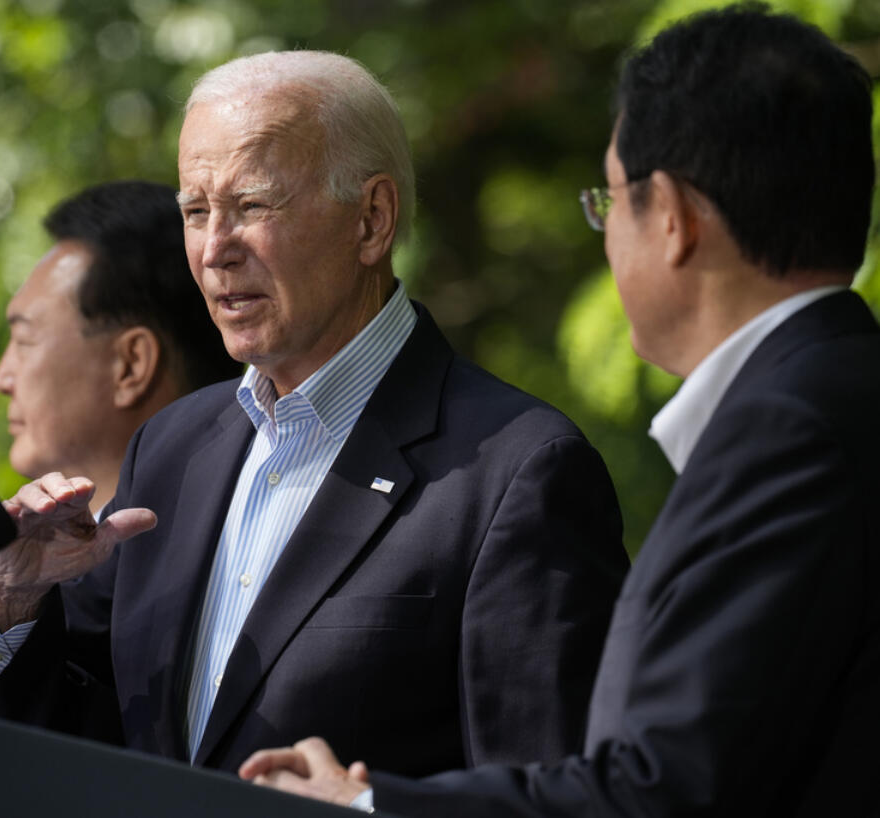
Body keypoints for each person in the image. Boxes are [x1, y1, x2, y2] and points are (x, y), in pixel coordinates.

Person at [239, 5, 880, 815]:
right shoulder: (835, 397)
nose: (606, 237)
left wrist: (369, 807)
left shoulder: (789, 434)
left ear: (675, 220)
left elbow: (667, 786)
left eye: (606, 205)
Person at [0, 51, 629, 779]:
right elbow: (62, 755)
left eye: (252, 207)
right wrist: (12, 604)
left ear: (371, 220)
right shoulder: (171, 450)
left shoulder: (519, 470)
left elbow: (553, 792)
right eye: (197, 212)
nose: (214, 251)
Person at [0, 180, 242, 683]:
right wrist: (9, 602)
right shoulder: (36, 569)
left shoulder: (237, 545)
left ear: (130, 364)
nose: (1, 378)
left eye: (24, 340)